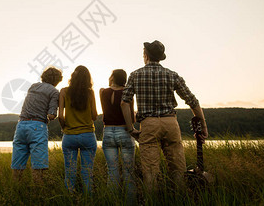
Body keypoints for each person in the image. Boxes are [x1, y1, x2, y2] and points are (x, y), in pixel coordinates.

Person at [121, 40, 208, 191]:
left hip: (148, 125)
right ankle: (179, 199)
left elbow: (124, 103)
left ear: (145, 55)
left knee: (150, 173)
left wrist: (131, 129)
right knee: (178, 170)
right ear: (160, 57)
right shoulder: (172, 75)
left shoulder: (135, 75)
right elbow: (192, 101)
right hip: (170, 124)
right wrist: (204, 127)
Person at [11, 66, 63, 182]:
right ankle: (38, 195)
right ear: (57, 80)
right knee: (38, 166)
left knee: (17, 165)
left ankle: (15, 189)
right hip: (37, 127)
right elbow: (51, 115)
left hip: (21, 125)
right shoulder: (54, 91)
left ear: (43, 76)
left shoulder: (33, 87)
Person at [100, 69, 140, 197]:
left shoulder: (102, 92)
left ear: (112, 77)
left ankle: (113, 201)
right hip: (124, 131)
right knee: (129, 172)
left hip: (108, 132)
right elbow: (132, 119)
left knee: (112, 171)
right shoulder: (127, 93)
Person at [58, 65, 98, 194]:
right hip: (87, 135)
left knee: (69, 173)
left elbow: (60, 116)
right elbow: (94, 115)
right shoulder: (90, 92)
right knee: (87, 173)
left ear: (72, 77)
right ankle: (88, 200)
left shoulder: (63, 91)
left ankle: (70, 199)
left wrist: (65, 127)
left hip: (69, 136)